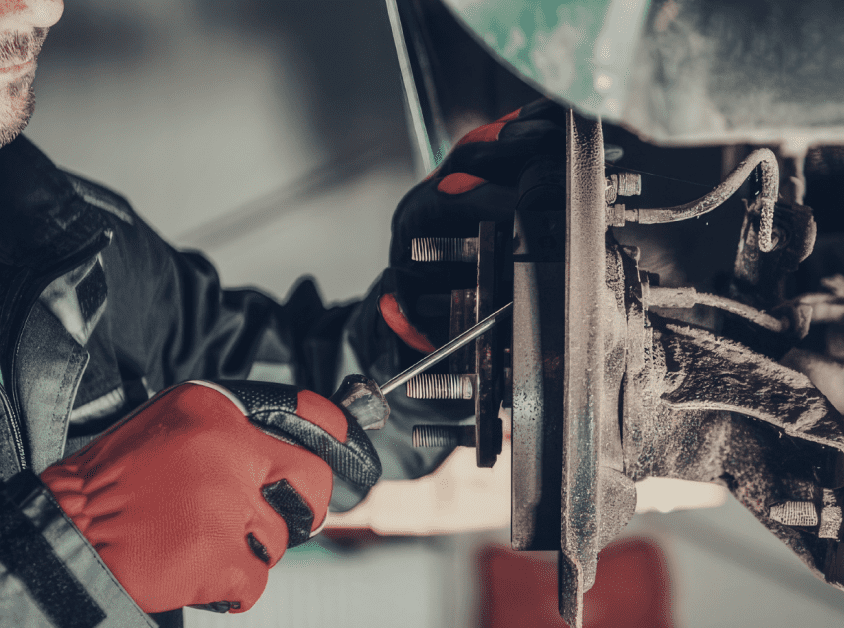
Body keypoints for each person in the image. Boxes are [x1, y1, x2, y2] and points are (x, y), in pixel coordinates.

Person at [0, 1, 564, 626]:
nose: (44, 9)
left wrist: (427, 336)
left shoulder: (50, 231)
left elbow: (262, 391)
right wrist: (51, 572)